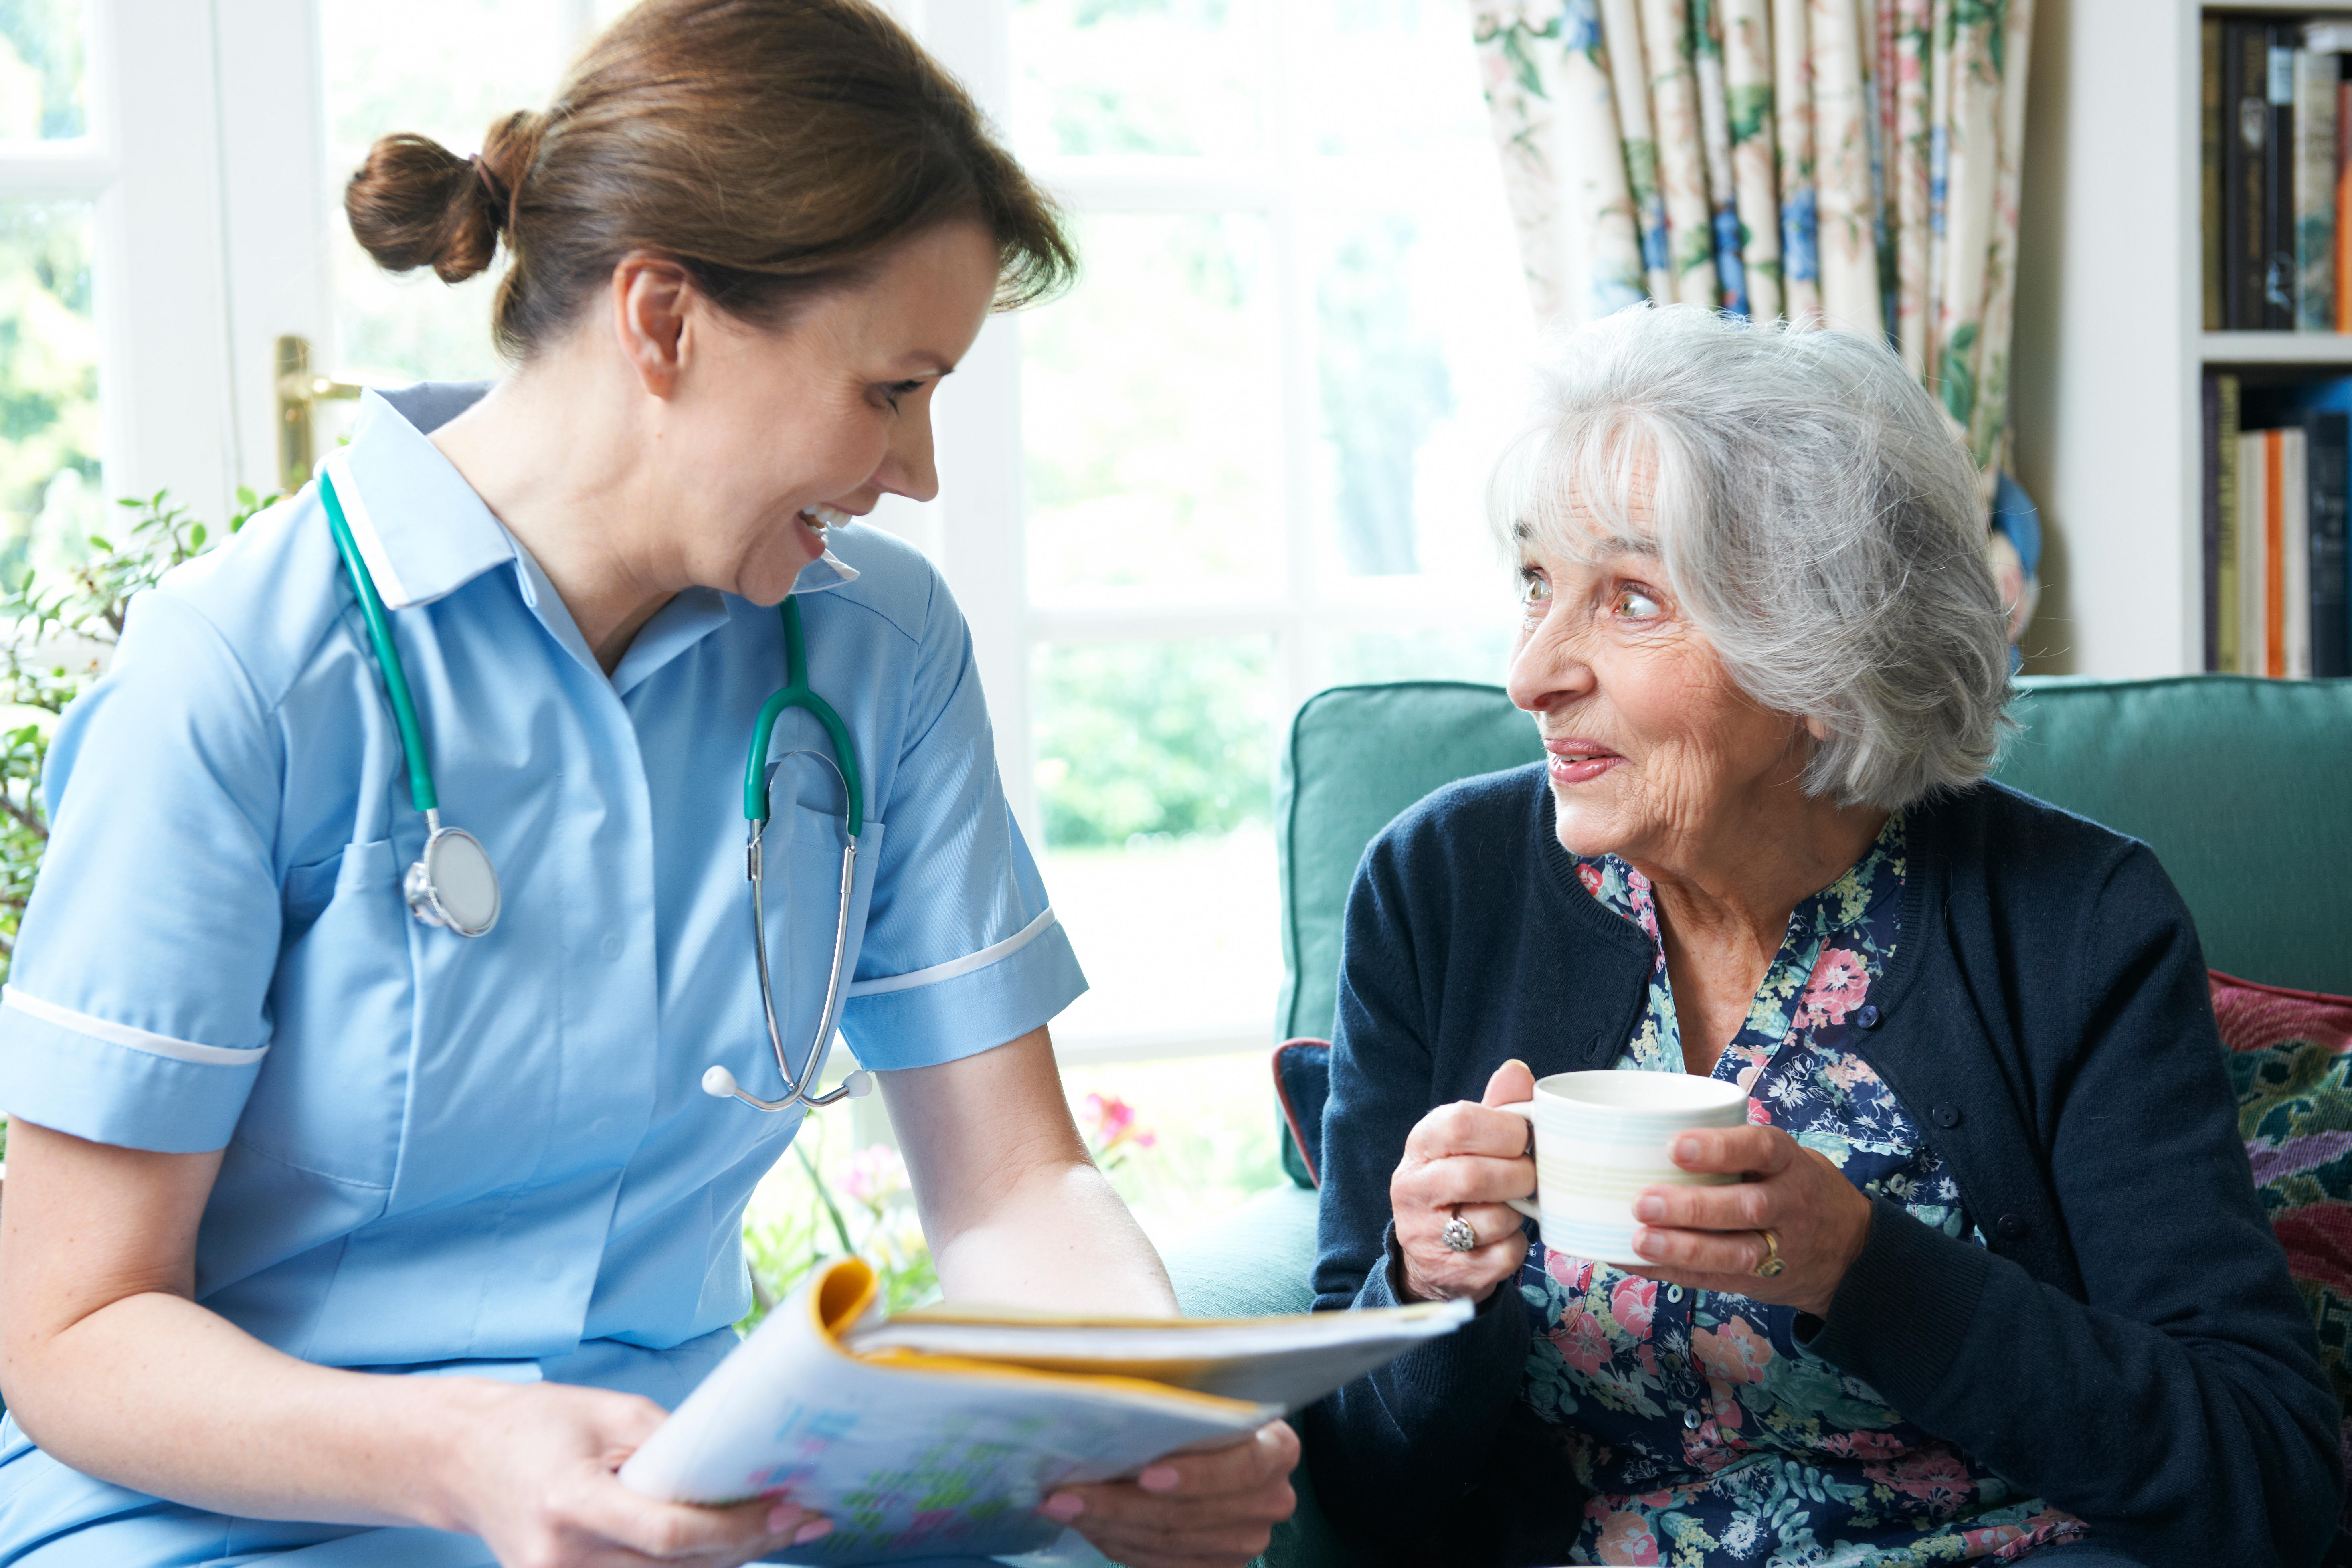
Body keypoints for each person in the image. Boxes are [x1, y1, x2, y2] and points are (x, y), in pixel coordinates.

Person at [0, 4, 1297, 1564]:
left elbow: (1015, 1184)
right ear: (665, 320)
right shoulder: (239, 680)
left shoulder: (877, 651)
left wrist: (1136, 1418)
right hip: (243, 1519)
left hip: (684, 1507)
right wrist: (464, 1457)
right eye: (892, 390)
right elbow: (72, 1328)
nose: (923, 470)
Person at [1302, 305, 2340, 1568]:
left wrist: (1862, 1269)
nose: (1530, 673)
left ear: (1826, 652)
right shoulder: (1438, 889)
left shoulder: (2075, 921)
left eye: (1630, 599)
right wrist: (1425, 1291)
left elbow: (2267, 1474)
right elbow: (1352, 1491)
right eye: (1535, 584)